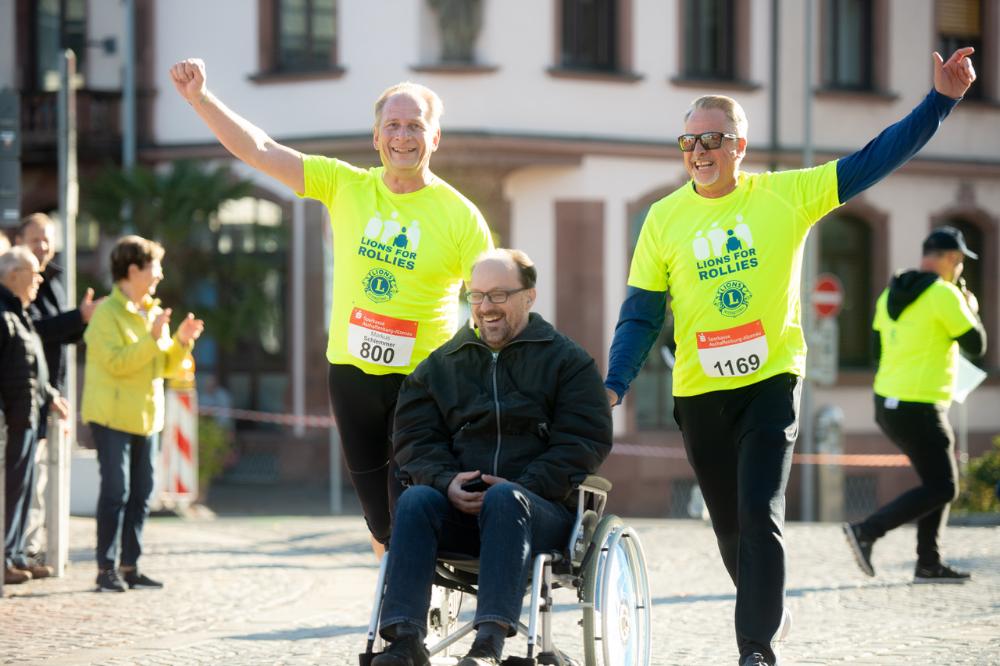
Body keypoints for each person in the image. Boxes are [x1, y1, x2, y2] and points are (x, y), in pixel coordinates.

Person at [604, 48, 977, 666]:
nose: (700, 151)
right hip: (699, 391)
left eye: (714, 138)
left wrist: (939, 102)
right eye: (689, 141)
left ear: (740, 145)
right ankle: (766, 602)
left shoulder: (786, 196)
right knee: (728, 528)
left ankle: (755, 648)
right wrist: (615, 382)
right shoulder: (662, 220)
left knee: (759, 512)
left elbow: (872, 160)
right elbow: (642, 312)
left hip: (771, 380)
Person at [169, 59, 493, 558]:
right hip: (352, 376)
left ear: (435, 138)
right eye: (393, 126)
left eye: (414, 126)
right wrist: (200, 98)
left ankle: (401, 621)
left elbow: (491, 299)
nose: (402, 136)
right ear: (376, 137)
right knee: (380, 520)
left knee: (412, 502)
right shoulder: (345, 185)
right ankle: (399, 590)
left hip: (424, 382)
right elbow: (259, 150)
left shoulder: (460, 215)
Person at [373, 249, 612, 666]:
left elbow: (583, 441)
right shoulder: (440, 366)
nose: (485, 307)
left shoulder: (567, 362)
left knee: (506, 500)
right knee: (415, 500)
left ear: (529, 296)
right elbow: (413, 439)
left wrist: (526, 487)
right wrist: (446, 481)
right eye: (477, 295)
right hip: (460, 512)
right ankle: (404, 639)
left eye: (499, 295)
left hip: (542, 515)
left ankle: (488, 645)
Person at [843, 226, 985, 584]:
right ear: (952, 260)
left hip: (887, 404)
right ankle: (867, 531)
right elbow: (977, 345)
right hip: (920, 405)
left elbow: (876, 350)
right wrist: (969, 308)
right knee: (944, 486)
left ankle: (928, 563)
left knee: (934, 481)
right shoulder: (944, 294)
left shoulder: (890, 292)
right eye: (960, 263)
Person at [81, 235, 204, 593]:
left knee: (141, 493)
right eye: (155, 266)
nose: (160, 275)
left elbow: (165, 365)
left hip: (147, 417)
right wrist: (152, 340)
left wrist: (181, 341)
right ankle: (105, 569)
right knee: (116, 491)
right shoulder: (105, 314)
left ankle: (130, 566)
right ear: (132, 270)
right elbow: (117, 364)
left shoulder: (152, 312)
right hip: (111, 416)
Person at [14, 213, 102, 561]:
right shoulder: (16, 281)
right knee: (28, 478)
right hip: (28, 394)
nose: (44, 246)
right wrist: (78, 317)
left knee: (44, 478)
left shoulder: (53, 279)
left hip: (52, 395)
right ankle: (21, 549)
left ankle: (32, 549)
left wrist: (84, 320)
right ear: (19, 241)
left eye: (48, 238)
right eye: (36, 239)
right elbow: (33, 331)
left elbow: (59, 335)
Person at [1, 247, 68, 585]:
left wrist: (51, 394)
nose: (40, 279)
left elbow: (33, 367)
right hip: (11, 420)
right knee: (9, 490)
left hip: (27, 417)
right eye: (33, 273)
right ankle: (5, 557)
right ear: (13, 275)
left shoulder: (19, 312)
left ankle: (13, 555)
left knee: (22, 489)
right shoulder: (4, 312)